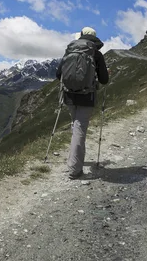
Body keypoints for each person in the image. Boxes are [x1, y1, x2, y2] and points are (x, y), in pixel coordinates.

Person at [56, 27, 109, 179]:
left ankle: (75, 159)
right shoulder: (96, 54)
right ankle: (74, 169)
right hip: (87, 97)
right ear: (94, 39)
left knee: (75, 127)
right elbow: (104, 80)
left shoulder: (70, 51)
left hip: (69, 96)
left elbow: (58, 74)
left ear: (81, 36)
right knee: (79, 130)